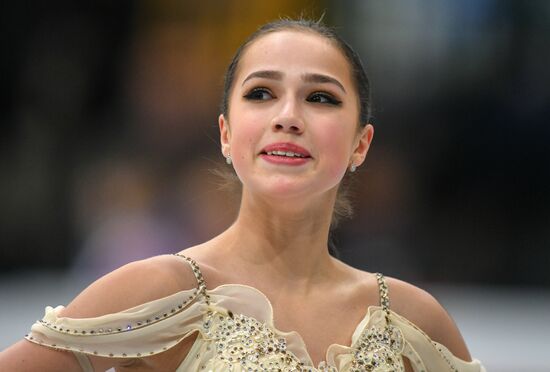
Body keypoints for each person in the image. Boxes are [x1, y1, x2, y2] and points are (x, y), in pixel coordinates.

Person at [0, 18, 485, 371]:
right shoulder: (164, 290)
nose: (289, 116)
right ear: (227, 135)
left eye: (321, 97)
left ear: (362, 143)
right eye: (261, 93)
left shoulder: (413, 323)